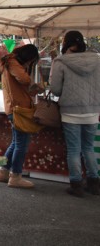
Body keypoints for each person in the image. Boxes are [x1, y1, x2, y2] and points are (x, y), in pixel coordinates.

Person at [49, 30, 100, 197]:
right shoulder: (97, 60)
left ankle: (76, 184)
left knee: (73, 149)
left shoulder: (61, 62)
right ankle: (94, 183)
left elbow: (55, 89)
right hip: (92, 110)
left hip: (70, 112)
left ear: (66, 43)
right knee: (88, 148)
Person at [0, 44, 41, 189]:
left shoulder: (9, 62)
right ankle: (15, 176)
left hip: (14, 108)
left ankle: (3, 171)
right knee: (22, 144)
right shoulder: (13, 62)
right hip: (18, 109)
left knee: (16, 142)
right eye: (30, 61)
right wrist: (31, 82)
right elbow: (24, 79)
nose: (29, 64)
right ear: (28, 57)